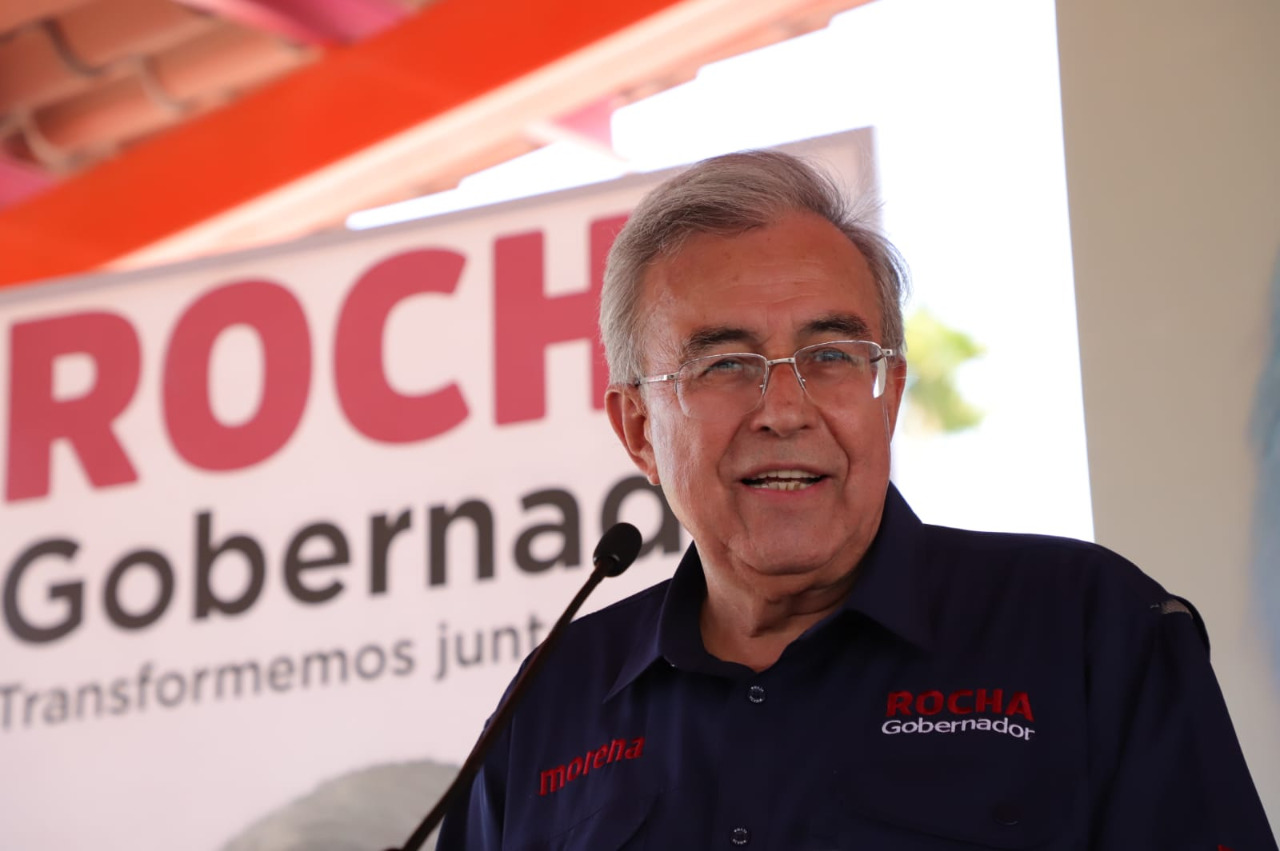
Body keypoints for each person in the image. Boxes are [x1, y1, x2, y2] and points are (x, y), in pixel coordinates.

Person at [436, 150, 1276, 849]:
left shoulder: (1088, 627)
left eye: (832, 356)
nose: (785, 409)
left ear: (890, 394)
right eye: (724, 364)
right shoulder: (549, 705)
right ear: (638, 430)